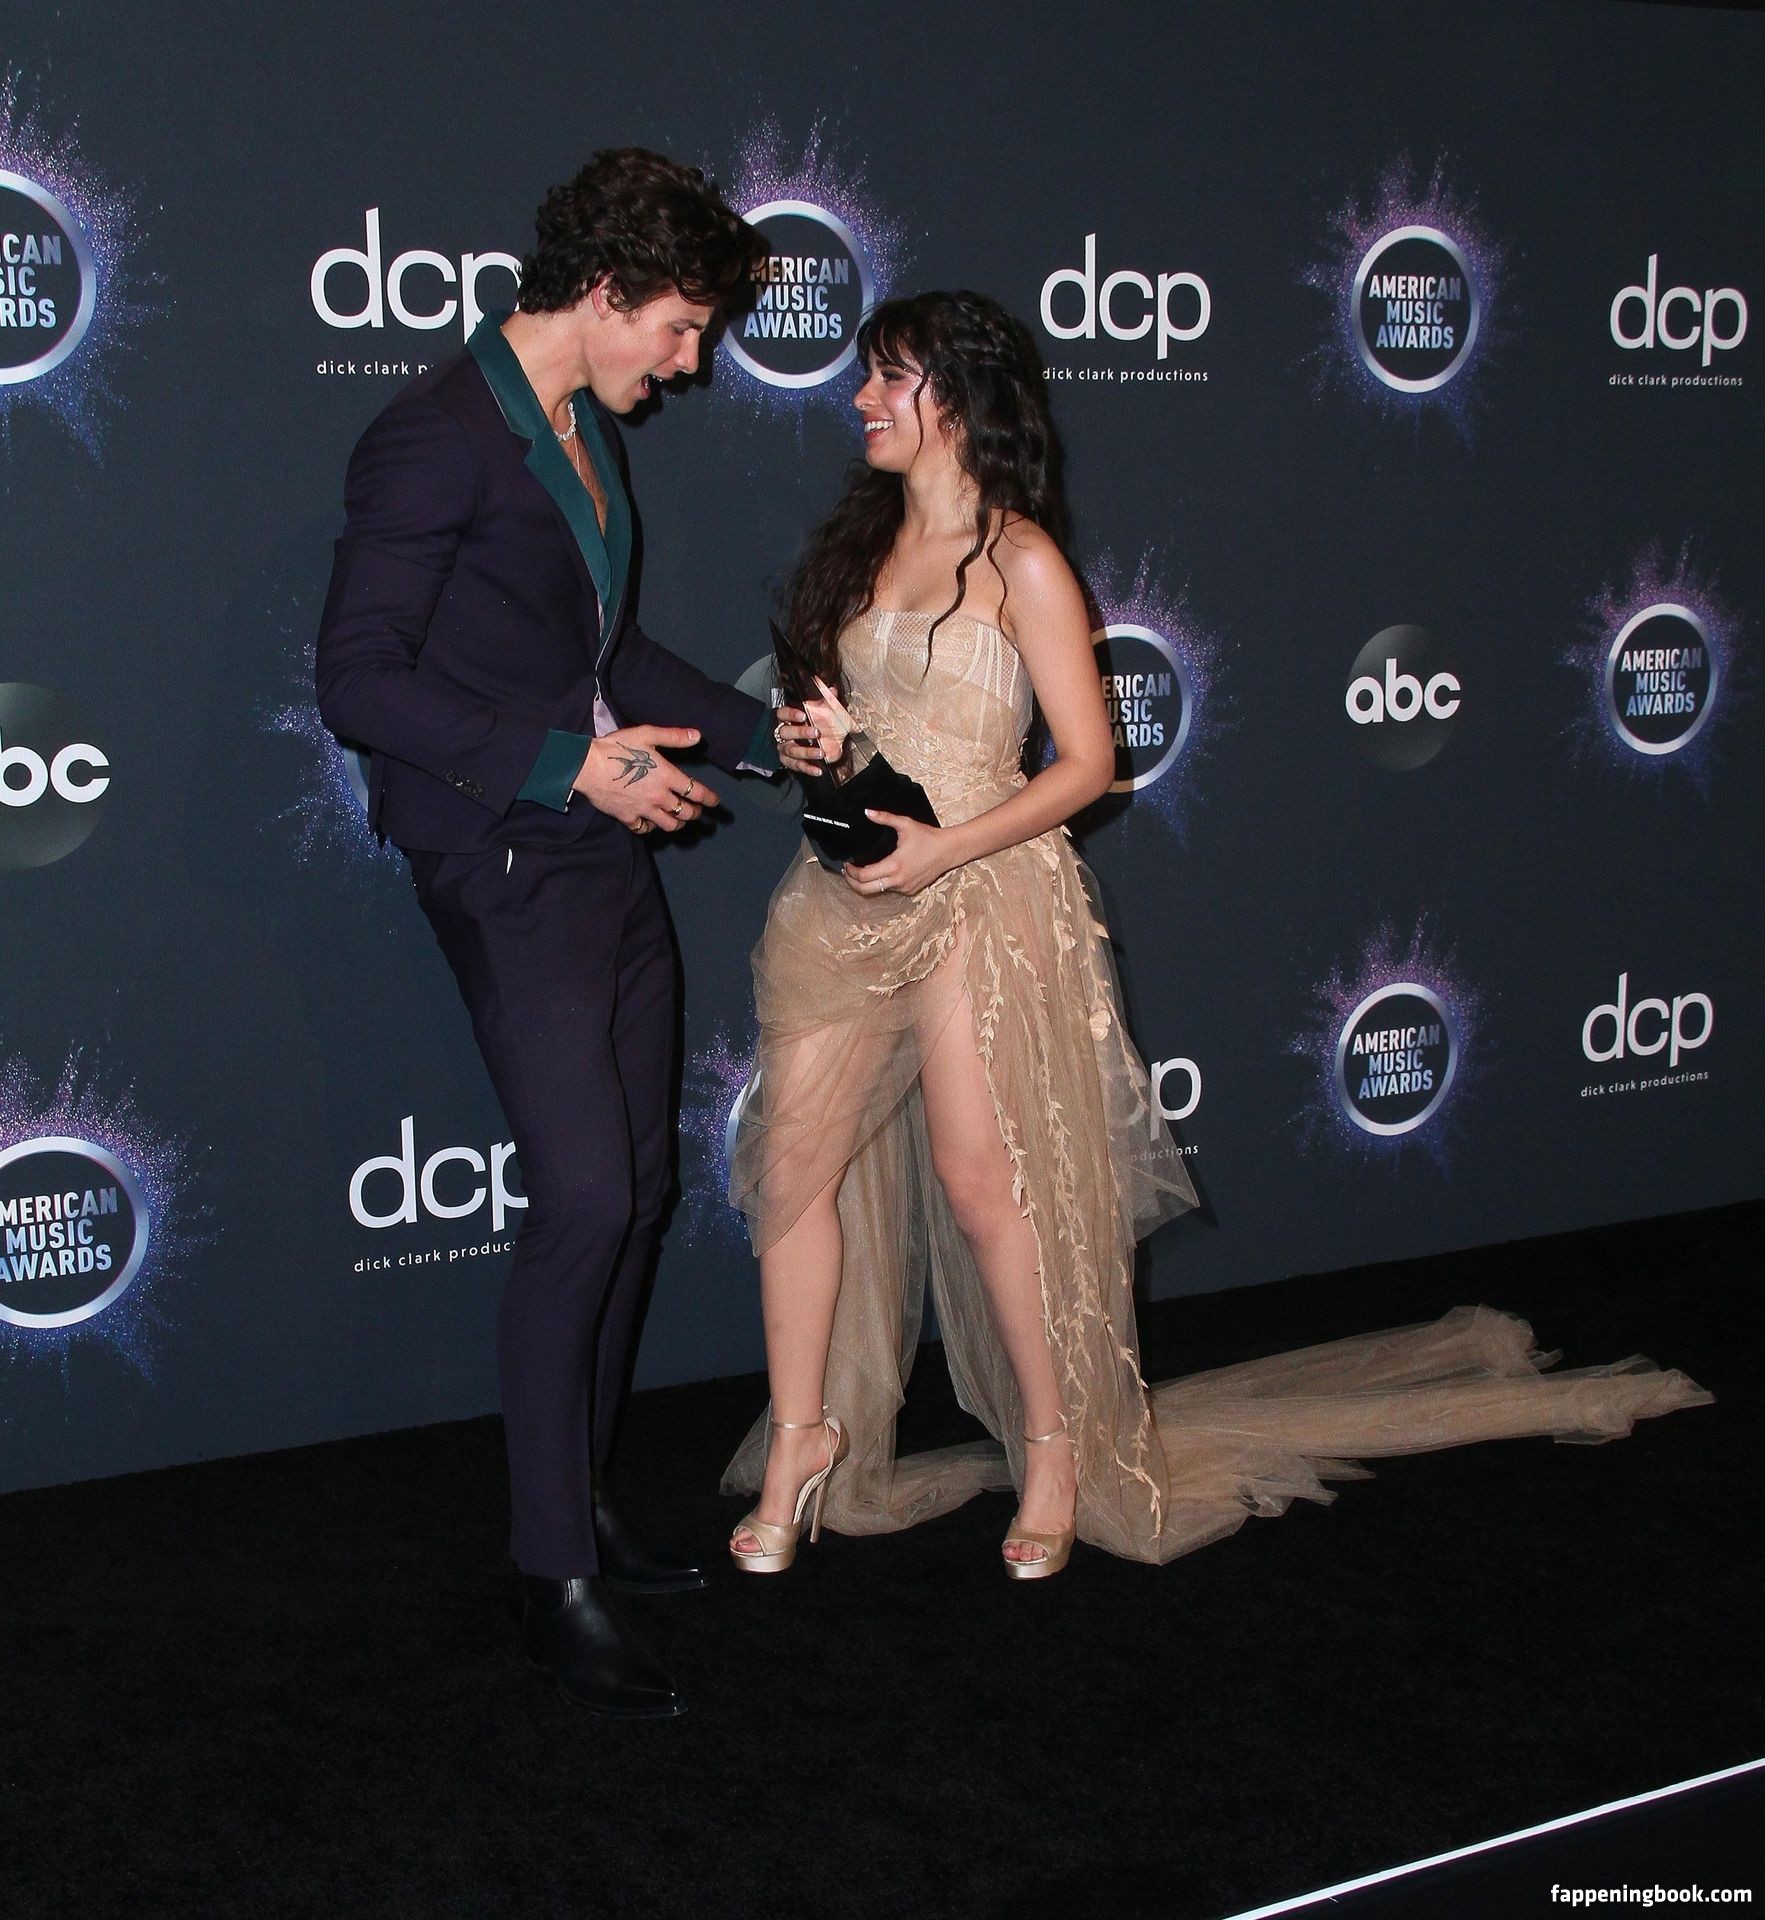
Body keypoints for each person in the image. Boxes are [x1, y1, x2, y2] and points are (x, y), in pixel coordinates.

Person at [723, 290, 1711, 1579]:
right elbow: (869, 725)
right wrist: (819, 741)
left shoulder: (1022, 559)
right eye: (866, 375)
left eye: (889, 378)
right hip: (848, 898)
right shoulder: (860, 547)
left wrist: (946, 850)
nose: (860, 397)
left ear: (956, 399)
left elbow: (1089, 765)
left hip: (979, 891)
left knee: (980, 1184)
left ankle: (1056, 1445)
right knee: (791, 1172)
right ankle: (802, 1435)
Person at [316, 149, 783, 1715]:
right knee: (583, 1199)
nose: (692, 361)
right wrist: (566, 765)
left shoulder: (585, 429)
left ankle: (580, 1500)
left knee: (637, 1192)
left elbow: (607, 651)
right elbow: (357, 680)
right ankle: (548, 1576)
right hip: (506, 854)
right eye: (681, 326)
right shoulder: (433, 436)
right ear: (604, 290)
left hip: (598, 851)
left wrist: (771, 739)